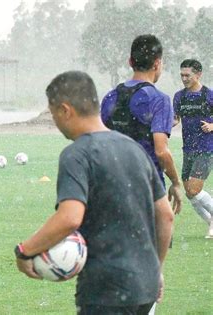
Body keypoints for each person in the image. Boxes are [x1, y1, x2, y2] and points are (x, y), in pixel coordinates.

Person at [15, 71, 174, 315]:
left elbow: (70, 218)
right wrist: (156, 270)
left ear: (66, 110)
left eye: (54, 113)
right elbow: (165, 215)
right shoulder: (134, 149)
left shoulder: (78, 154)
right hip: (144, 287)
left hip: (106, 291)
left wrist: (25, 250)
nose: (55, 123)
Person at [101, 34, 182, 215]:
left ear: (130, 61)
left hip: (112, 188)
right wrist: (176, 183)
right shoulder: (159, 100)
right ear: (157, 63)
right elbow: (161, 151)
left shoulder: (110, 97)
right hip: (147, 188)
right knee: (152, 242)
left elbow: (100, 143)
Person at [173, 59, 213, 238]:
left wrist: (212, 126)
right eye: (182, 75)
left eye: (187, 75)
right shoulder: (179, 96)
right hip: (188, 149)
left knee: (195, 190)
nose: (184, 78)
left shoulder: (209, 95)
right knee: (189, 193)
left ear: (198, 74)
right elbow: (175, 119)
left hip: (206, 148)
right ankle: (210, 221)